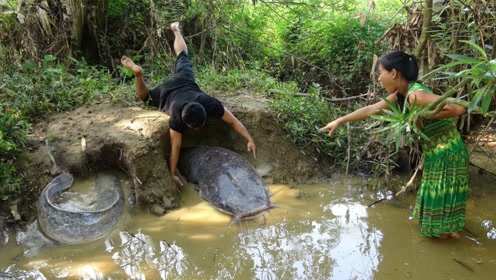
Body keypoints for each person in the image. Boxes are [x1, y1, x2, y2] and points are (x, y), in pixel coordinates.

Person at [319, 51, 468, 239]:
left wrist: (420, 115)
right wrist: (339, 120)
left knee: (440, 230)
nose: (379, 78)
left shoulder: (415, 96)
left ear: (394, 73)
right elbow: (371, 109)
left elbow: (458, 108)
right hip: (436, 154)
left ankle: (447, 256)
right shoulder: (400, 96)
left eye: (380, 73)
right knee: (438, 221)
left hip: (448, 153)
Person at [121, 22, 257, 187]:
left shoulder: (209, 103)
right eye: (195, 128)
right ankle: (142, 69)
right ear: (186, 123)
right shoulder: (177, 120)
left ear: (205, 111)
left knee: (182, 55)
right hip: (166, 93)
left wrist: (249, 139)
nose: (197, 130)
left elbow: (233, 121)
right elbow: (175, 148)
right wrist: (172, 173)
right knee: (146, 97)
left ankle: (173, 33)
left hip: (181, 81)